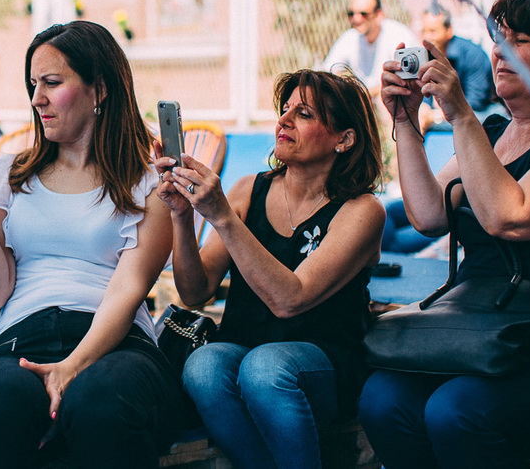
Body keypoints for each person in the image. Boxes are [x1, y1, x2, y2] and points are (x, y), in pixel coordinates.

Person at [0, 20, 181, 469]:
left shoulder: (149, 182)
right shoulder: (10, 173)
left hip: (117, 342)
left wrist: (71, 367)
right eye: (33, 84)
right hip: (22, 337)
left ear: (100, 89)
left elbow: (128, 289)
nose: (36, 98)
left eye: (52, 83)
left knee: (101, 400)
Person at [359, 0, 530, 468]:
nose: (501, 52)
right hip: (473, 325)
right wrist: (405, 121)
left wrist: (459, 114)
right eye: (498, 40)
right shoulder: (491, 132)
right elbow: (429, 215)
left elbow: (509, 216)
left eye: (522, 40)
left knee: (455, 410)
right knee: (381, 398)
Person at [159, 69, 384, 468]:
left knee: (265, 368)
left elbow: (290, 300)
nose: (284, 120)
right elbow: (195, 291)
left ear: (344, 139)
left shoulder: (361, 210)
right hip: (246, 350)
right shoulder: (250, 189)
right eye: (285, 109)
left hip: (322, 365)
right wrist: (181, 214)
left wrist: (223, 218)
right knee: (204, 365)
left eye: (304, 114)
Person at [321, 0, 420, 97]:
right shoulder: (350, 37)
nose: (356, 19)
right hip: (364, 97)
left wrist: (368, 93)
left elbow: (409, 78)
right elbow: (329, 70)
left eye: (363, 14)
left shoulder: (398, 35)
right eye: (351, 14)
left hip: (394, 95)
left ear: (379, 15)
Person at [418, 7, 498, 130]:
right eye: (424, 31)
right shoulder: (425, 55)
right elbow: (425, 97)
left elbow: (476, 102)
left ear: (449, 30)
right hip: (442, 115)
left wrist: (436, 116)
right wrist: (424, 109)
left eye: (433, 31)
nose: (427, 37)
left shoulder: (473, 54)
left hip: (479, 115)